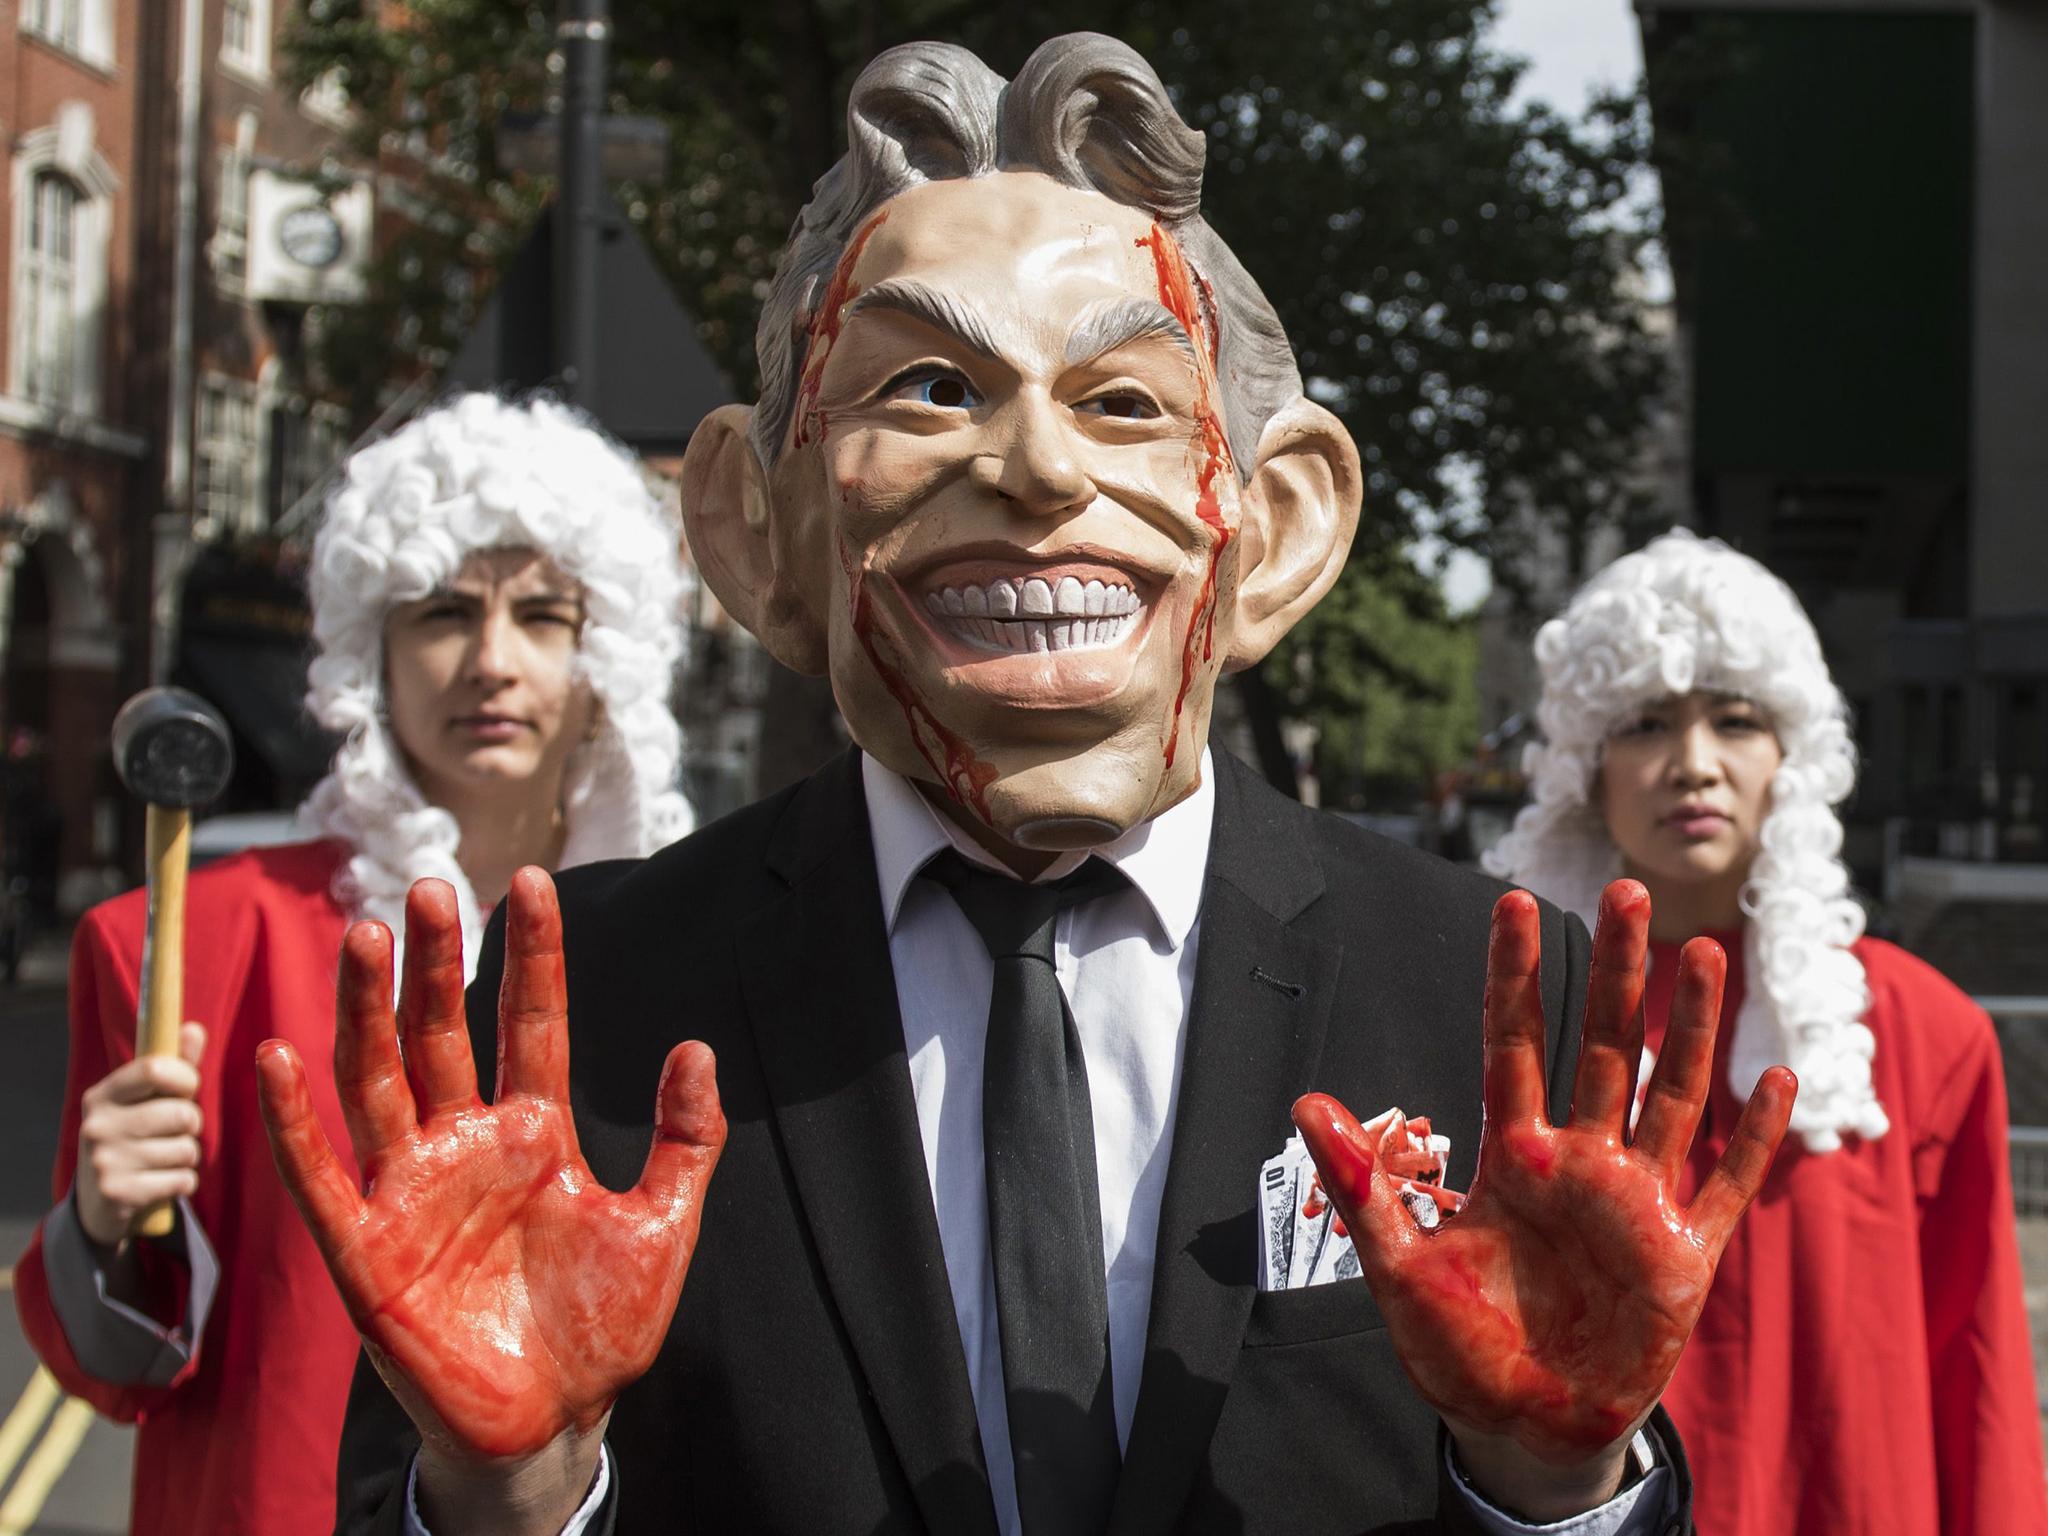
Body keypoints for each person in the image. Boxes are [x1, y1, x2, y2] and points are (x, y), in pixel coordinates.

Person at [272, 39, 1795, 1536]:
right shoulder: (591, 1007)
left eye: (1126, 402)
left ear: (1276, 529)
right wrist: (510, 1491)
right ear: (757, 529)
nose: (1039, 470)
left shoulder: (1480, 992)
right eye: (929, 389)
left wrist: (1549, 1488)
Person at [12, 393, 695, 1536]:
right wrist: (98, 1228)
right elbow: (116, 1372)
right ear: (368, 652)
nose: (490, 660)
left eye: (541, 614)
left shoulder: (701, 940)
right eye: (440, 612)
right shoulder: (185, 944)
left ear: (606, 656)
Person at [1485, 528, 2048, 1536]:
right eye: (1647, 722)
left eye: (1734, 721)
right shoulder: (1503, 1025)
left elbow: (1980, 1374)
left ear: (1789, 756)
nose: (1692, 764)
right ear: (1585, 764)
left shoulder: (1922, 1033)